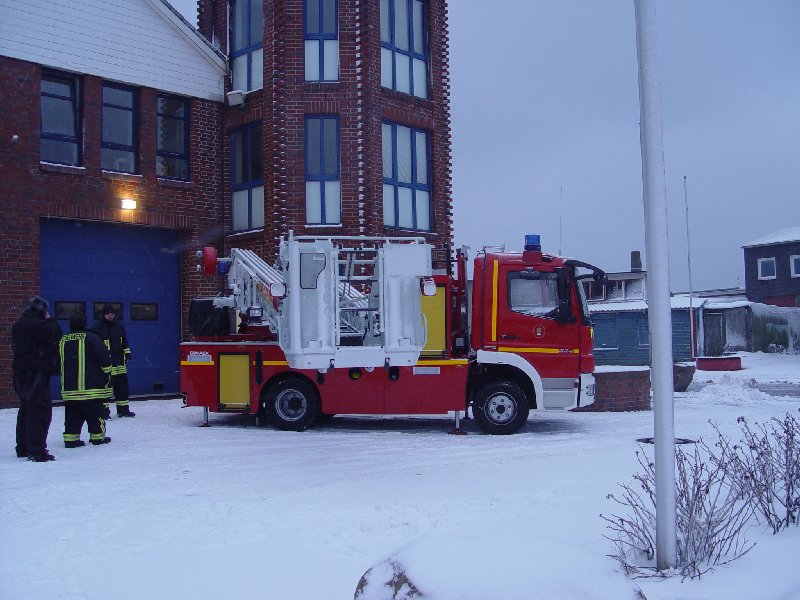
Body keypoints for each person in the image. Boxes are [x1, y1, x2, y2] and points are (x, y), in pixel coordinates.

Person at [11, 296, 62, 462]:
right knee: (40, 411)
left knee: (26, 409)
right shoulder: (36, 325)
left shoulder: (20, 325)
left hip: (22, 373)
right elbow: (55, 333)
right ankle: (37, 450)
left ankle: (23, 447)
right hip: (35, 373)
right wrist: (51, 319)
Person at [59, 312, 112, 447]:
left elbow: (57, 361)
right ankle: (97, 437)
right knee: (95, 415)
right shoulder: (92, 338)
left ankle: (71, 439)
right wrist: (107, 373)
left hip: (70, 390)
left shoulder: (63, 340)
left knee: (72, 416)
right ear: (85, 323)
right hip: (91, 389)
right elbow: (104, 359)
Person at [90, 304, 135, 417]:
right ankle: (104, 412)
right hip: (106, 366)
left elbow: (124, 341)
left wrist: (127, 353)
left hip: (120, 364)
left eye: (112, 313)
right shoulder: (96, 328)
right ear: (104, 314)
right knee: (105, 390)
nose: (110, 316)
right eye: (108, 314)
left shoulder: (119, 326)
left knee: (122, 389)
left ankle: (123, 410)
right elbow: (94, 347)